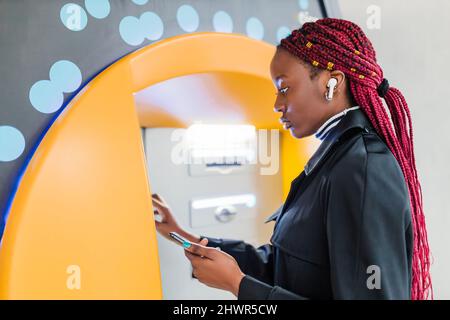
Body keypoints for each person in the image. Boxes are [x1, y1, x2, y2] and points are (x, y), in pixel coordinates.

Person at [152, 18, 432, 300]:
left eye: (284, 88)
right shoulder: (335, 156)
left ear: (331, 83)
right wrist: (183, 235)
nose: (277, 104)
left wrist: (239, 285)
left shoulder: (363, 167)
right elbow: (285, 266)